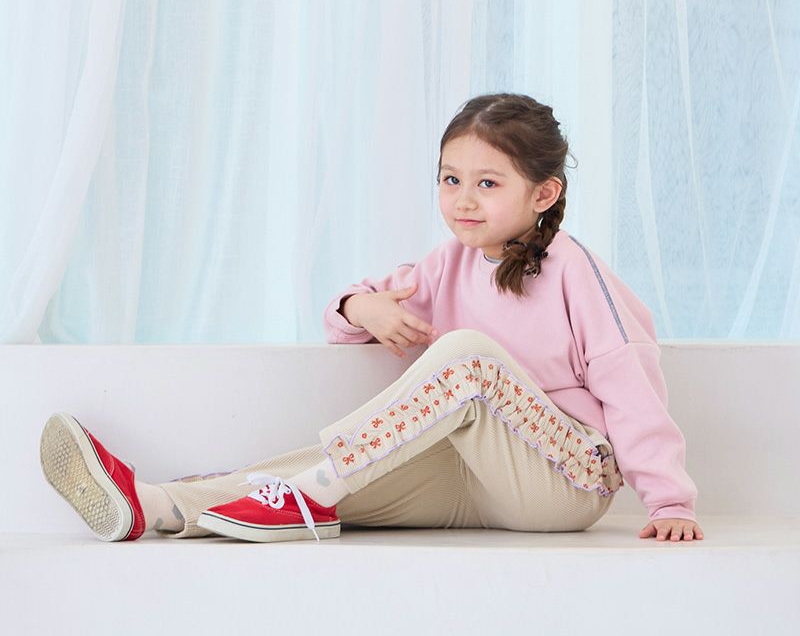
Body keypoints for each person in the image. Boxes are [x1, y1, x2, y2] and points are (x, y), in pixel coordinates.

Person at [40, 92, 704, 544]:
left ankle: (308, 492)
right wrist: (365, 307)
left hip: (565, 480)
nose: (463, 200)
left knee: (466, 355)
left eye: (488, 183)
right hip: (474, 478)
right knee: (328, 473)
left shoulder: (571, 268)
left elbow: (629, 381)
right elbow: (344, 315)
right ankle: (158, 506)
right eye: (450, 179)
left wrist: (669, 499)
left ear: (544, 193)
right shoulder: (446, 264)